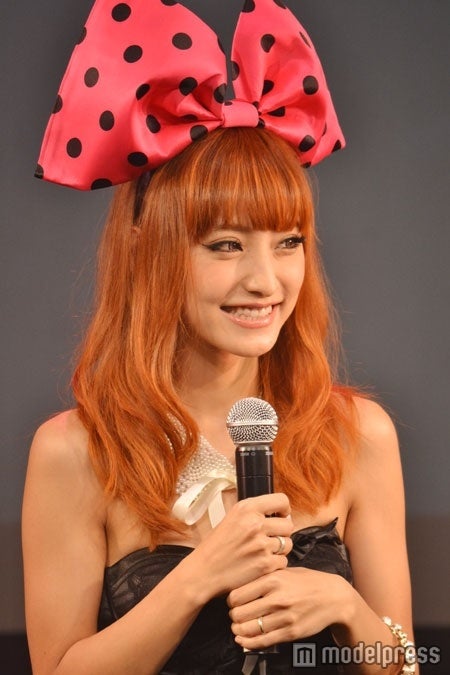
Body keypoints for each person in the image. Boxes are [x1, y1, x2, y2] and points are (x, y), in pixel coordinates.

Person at [22, 1, 415, 674]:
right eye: (226, 244)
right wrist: (198, 576)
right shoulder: (75, 452)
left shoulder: (359, 436)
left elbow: (405, 662)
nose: (265, 281)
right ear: (153, 253)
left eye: (287, 242)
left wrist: (349, 609)